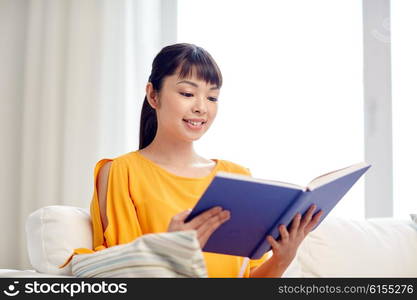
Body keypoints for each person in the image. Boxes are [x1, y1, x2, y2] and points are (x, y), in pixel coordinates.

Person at [61, 43, 323, 277]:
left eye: (212, 97)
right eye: (187, 94)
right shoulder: (122, 171)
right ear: (153, 95)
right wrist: (170, 248)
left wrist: (282, 258)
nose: (202, 107)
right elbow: (124, 273)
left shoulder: (237, 176)